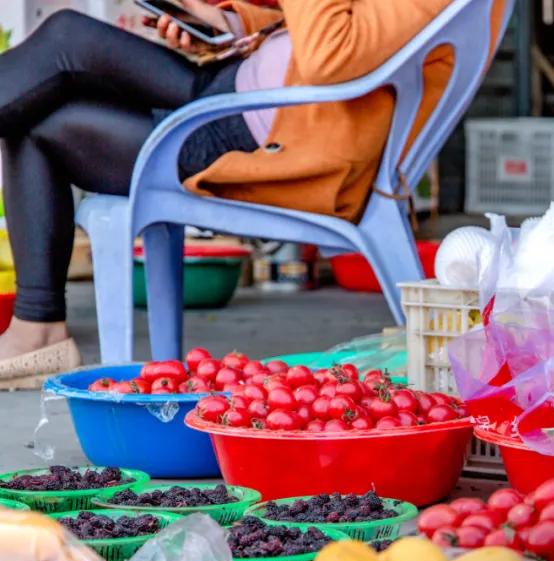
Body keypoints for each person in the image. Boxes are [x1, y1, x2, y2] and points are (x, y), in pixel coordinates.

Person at [0, 0, 504, 388]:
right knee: (66, 37)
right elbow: (339, 32)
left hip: (254, 138)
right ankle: (36, 330)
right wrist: (225, 23)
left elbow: (333, 56)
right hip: (235, 95)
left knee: (43, 113)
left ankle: (37, 328)